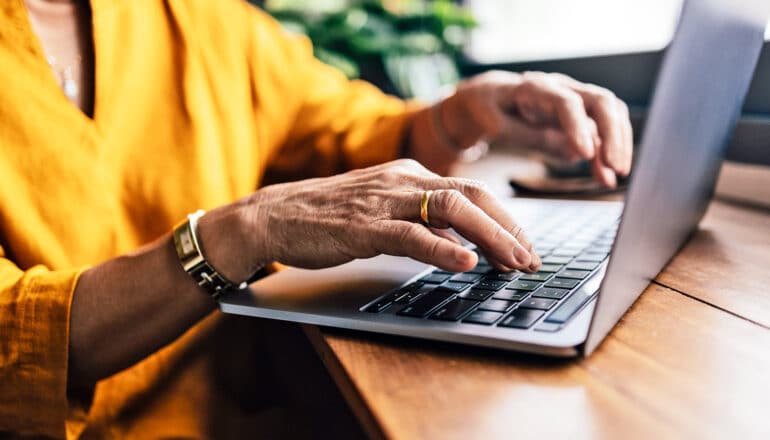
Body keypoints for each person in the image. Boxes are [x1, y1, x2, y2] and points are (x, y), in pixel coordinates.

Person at [0, 0, 632, 438]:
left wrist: (465, 114)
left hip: (254, 410)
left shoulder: (205, 20)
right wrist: (242, 230)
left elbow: (344, 132)